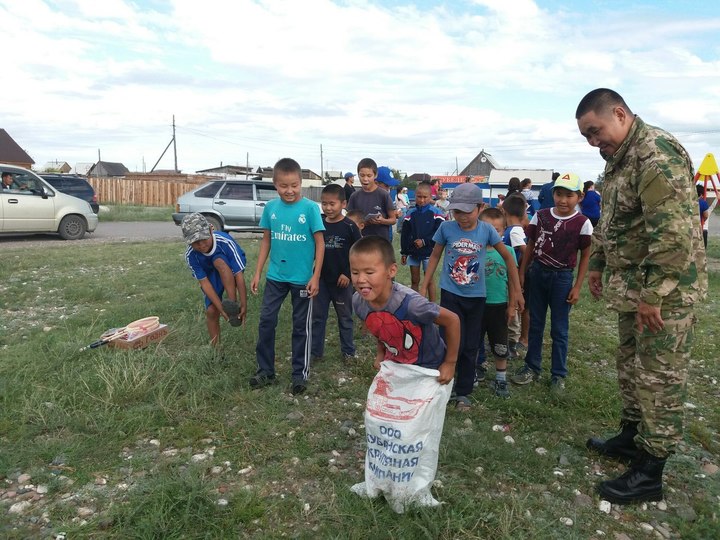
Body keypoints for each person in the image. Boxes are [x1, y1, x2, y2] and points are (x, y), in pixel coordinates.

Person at [577, 88, 706, 504]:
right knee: (632, 364)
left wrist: (654, 294)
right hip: (634, 289)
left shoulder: (656, 154)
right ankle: (632, 437)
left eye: (595, 131)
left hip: (663, 294)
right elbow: (611, 221)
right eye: (587, 137)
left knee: (659, 378)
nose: (594, 142)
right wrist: (596, 263)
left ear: (619, 113)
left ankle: (651, 471)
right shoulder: (619, 160)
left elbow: (674, 234)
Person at [419, 183, 522, 411]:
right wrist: (425, 284)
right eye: (457, 211)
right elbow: (435, 256)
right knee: (447, 341)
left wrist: (516, 293)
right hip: (451, 294)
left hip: (476, 298)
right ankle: (443, 383)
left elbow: (508, 258)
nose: (462, 217)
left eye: (467, 211)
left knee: (469, 345)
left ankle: (464, 392)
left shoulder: (487, 231)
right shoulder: (446, 228)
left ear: (480, 207)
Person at [249, 157, 325, 395]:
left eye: (294, 185)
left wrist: (315, 276)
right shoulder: (271, 209)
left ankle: (299, 375)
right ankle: (265, 371)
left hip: (302, 278)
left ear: (301, 183)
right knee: (266, 321)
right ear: (275, 184)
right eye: (283, 186)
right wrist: (258, 271)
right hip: (276, 277)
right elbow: (266, 241)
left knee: (301, 326)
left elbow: (320, 244)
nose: (289, 190)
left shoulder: (311, 209)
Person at [510, 173, 592, 392]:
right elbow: (531, 244)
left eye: (569, 195)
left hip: (562, 278)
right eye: (558, 194)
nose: (562, 200)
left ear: (579, 197)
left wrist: (577, 286)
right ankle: (532, 366)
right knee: (535, 323)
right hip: (537, 273)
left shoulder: (582, 223)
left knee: (559, 329)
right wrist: (522, 272)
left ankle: (558, 374)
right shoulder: (541, 215)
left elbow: (585, 255)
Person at [310, 184, 362, 363]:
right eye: (324, 204)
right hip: (321, 280)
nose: (327, 208)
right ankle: (315, 353)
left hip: (342, 282)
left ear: (343, 203)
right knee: (318, 317)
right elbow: (313, 249)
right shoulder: (319, 225)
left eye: (332, 204)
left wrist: (348, 274)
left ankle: (348, 352)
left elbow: (359, 252)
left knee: (345, 317)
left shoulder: (350, 226)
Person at [181, 212, 247, 348]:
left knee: (219, 262)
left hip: (228, 267)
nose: (201, 245)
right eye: (195, 242)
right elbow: (204, 283)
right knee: (211, 311)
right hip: (210, 275)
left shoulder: (225, 241)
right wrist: (220, 309)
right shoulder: (191, 255)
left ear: (211, 230)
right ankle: (216, 350)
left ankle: (232, 304)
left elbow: (239, 275)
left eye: (204, 239)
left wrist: (244, 303)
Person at [474, 207, 516, 398]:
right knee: (473, 341)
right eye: (488, 230)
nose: (492, 234)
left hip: (499, 305)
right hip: (476, 304)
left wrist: (512, 305)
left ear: (503, 231)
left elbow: (513, 281)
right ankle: (473, 372)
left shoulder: (508, 252)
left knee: (500, 343)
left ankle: (500, 379)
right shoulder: (474, 251)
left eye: (497, 230)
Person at [400, 181, 444, 303]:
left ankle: (433, 306)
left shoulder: (436, 213)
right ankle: (416, 305)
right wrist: (404, 253)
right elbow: (405, 235)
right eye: (419, 196)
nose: (422, 200)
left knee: (429, 280)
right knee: (415, 280)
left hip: (429, 253)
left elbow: (438, 233)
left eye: (425, 197)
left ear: (431, 197)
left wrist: (424, 241)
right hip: (413, 253)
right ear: (415, 195)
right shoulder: (410, 213)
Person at [501, 194, 530, 358]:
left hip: (512, 278)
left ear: (504, 212)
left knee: (513, 310)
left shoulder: (514, 231)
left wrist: (521, 271)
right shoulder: (512, 230)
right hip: (508, 276)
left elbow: (525, 251)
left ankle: (512, 343)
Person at [346, 158, 396, 241]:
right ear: (358, 175)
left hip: (380, 242)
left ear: (375, 175)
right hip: (360, 242)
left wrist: (382, 220)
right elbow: (349, 221)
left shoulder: (384, 195)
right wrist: (364, 223)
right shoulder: (354, 196)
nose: (365, 179)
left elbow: (393, 220)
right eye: (362, 175)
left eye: (369, 176)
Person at [697, 184, 716, 249]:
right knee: (702, 249)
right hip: (701, 229)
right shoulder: (703, 203)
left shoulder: (690, 201)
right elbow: (706, 215)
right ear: (701, 194)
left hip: (691, 228)